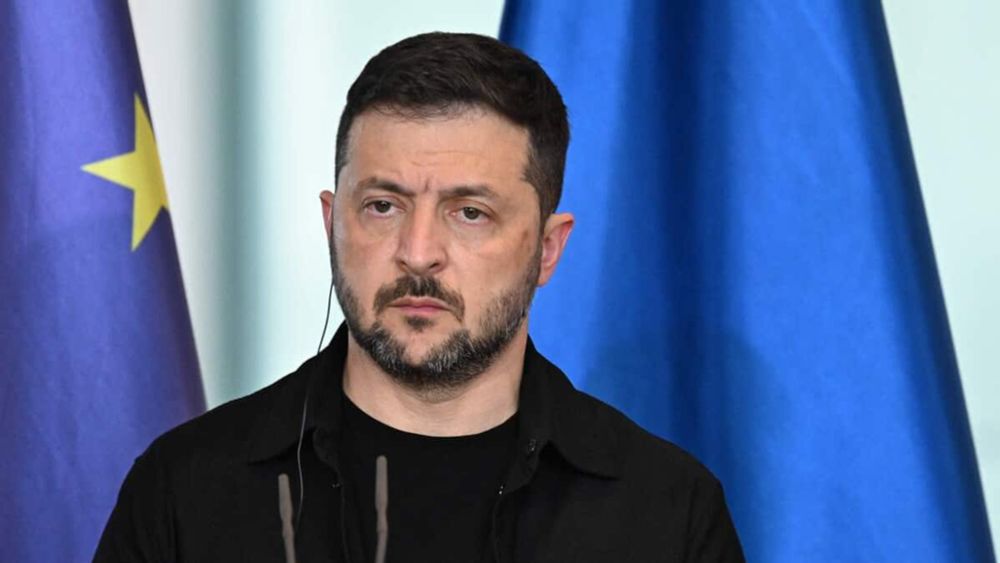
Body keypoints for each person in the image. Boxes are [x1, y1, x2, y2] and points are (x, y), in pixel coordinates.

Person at [94, 32, 744, 563]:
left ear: (548, 249)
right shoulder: (186, 491)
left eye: (470, 213)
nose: (418, 250)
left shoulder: (667, 512)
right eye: (383, 205)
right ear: (332, 224)